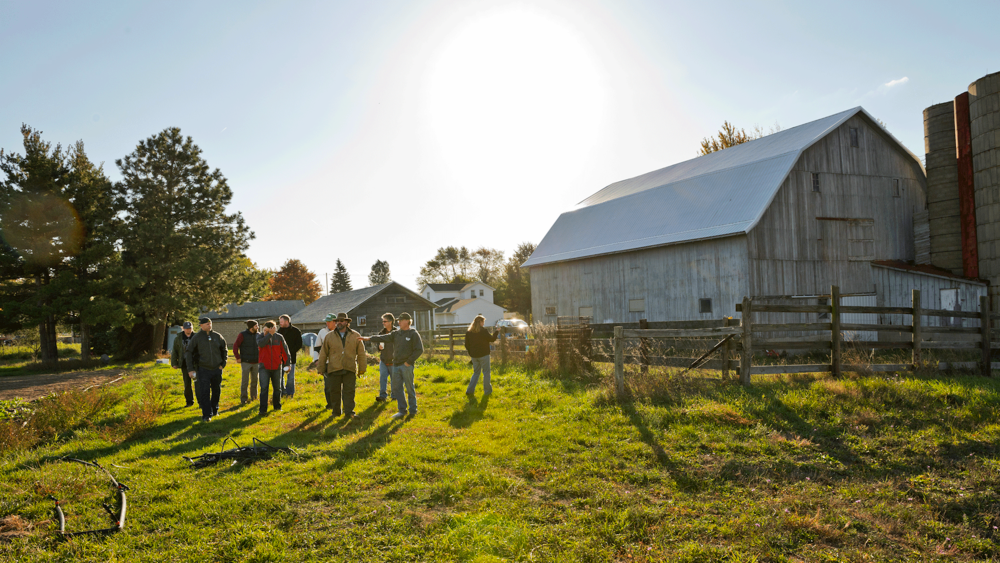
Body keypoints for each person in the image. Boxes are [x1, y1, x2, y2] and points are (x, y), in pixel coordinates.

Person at [361, 312, 422, 420]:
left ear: (407, 321)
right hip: (396, 365)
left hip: (406, 366)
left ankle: (413, 410)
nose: (398, 322)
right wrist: (369, 338)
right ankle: (402, 411)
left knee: (409, 388)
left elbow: (419, 350)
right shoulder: (396, 334)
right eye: (398, 320)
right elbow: (383, 337)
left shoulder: (413, 333)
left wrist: (409, 362)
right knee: (397, 388)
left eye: (401, 320)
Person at [317, 313, 367, 417]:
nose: (339, 322)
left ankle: (349, 412)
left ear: (347, 322)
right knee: (334, 392)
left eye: (342, 320)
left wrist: (362, 368)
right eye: (337, 321)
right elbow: (323, 353)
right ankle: (336, 413)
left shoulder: (356, 335)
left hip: (350, 368)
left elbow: (361, 353)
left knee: (349, 392)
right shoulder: (329, 336)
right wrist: (321, 367)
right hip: (334, 368)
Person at [185, 317, 228, 422]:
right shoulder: (197, 338)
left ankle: (215, 410)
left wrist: (223, 364)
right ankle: (206, 415)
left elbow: (224, 350)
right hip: (203, 369)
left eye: (210, 323)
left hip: (217, 369)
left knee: (216, 390)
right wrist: (190, 369)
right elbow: (189, 352)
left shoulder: (217, 336)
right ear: (201, 326)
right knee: (204, 392)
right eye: (207, 324)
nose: (209, 325)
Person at [256, 320, 290, 415]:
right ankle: (263, 410)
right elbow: (261, 344)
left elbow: (285, 351)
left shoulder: (279, 337)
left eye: (274, 328)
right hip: (264, 367)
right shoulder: (260, 336)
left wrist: (287, 364)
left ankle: (277, 407)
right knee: (264, 388)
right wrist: (269, 335)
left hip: (276, 366)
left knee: (278, 388)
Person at [464, 314, 499, 396]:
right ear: (480, 322)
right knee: (486, 373)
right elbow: (492, 339)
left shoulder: (469, 332)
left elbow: (466, 345)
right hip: (484, 355)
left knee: (476, 373)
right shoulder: (483, 331)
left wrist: (471, 353)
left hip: (474, 356)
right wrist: (497, 332)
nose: (483, 323)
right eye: (483, 322)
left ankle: (469, 391)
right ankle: (487, 392)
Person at [232, 320, 260, 405]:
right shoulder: (242, 335)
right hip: (246, 362)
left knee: (255, 381)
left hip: (256, 362)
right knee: (245, 381)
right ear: (251, 327)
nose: (258, 327)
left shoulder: (259, 335)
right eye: (256, 326)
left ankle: (254, 398)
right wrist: (238, 357)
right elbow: (235, 346)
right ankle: (243, 399)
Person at [170, 321, 196, 407]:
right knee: (187, 384)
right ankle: (189, 401)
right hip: (184, 364)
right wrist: (174, 363)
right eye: (187, 328)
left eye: (190, 328)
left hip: (195, 364)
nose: (189, 330)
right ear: (183, 329)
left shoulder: (196, 337)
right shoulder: (178, 338)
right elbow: (175, 351)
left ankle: (201, 401)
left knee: (197, 382)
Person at [277, 314, 302, 397]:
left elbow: (299, 344)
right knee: (280, 377)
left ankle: (290, 393)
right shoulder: (279, 332)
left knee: (290, 377)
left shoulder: (296, 331)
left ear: (287, 321)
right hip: (281, 359)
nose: (280, 323)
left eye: (281, 321)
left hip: (291, 359)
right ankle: (282, 392)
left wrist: (290, 352)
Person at [374, 313, 395, 403]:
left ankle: (394, 395)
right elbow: (377, 345)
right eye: (383, 321)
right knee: (383, 378)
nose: (383, 323)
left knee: (394, 379)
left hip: (394, 360)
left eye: (385, 321)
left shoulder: (397, 333)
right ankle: (382, 396)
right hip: (383, 359)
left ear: (390, 322)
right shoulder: (381, 333)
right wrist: (378, 347)